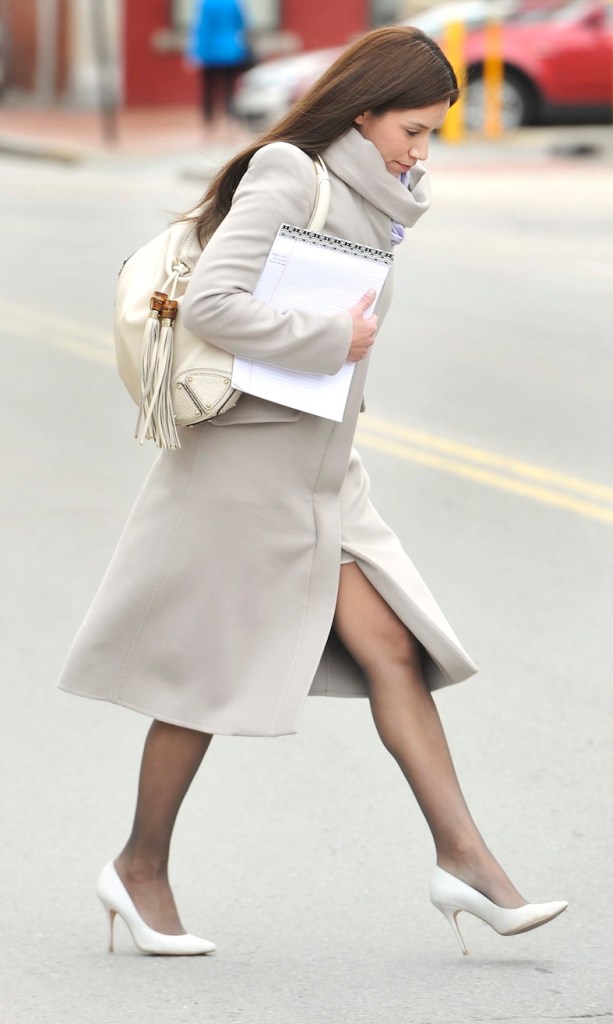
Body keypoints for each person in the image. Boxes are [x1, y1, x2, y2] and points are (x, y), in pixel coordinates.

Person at [58, 26, 567, 958]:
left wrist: (392, 204)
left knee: (394, 651)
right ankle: (138, 867)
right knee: (201, 680)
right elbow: (213, 301)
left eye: (432, 137)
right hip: (245, 471)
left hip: (325, 471)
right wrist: (329, 340)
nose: (420, 152)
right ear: (363, 109)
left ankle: (467, 866)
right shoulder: (290, 173)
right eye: (411, 131)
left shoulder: (379, 190)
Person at [187, 0, 253, 131]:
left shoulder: (206, 4)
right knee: (229, 86)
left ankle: (209, 118)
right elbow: (243, 24)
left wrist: (195, 52)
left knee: (209, 87)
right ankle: (230, 116)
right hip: (230, 50)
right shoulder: (234, 3)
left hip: (209, 52)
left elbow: (202, 28)